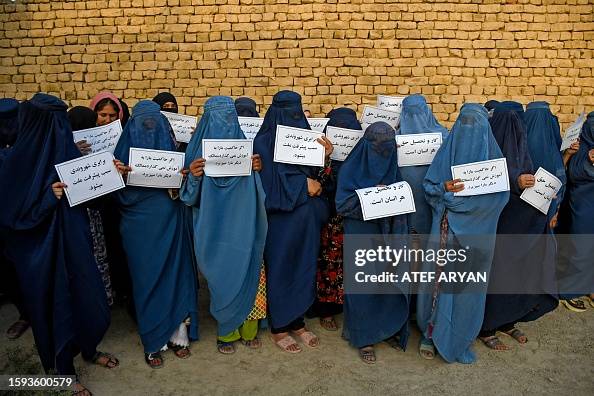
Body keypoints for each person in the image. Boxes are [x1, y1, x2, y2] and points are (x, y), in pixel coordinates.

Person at [0, 93, 118, 396]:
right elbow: (13, 219)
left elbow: (93, 198)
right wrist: (47, 201)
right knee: (58, 310)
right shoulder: (17, 162)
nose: (61, 128)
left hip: (77, 244)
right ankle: (65, 373)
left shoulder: (67, 152)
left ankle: (89, 349)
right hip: (42, 255)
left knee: (90, 300)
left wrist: (110, 175)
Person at [418, 103, 509, 363]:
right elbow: (429, 187)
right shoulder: (445, 154)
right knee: (437, 283)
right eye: (464, 124)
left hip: (477, 236)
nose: (468, 131)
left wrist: (462, 205)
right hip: (444, 231)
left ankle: (460, 336)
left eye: (475, 125)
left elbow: (498, 200)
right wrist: (444, 190)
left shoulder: (493, 163)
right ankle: (430, 332)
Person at [113, 100, 198, 369]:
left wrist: (184, 177)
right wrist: (118, 176)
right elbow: (113, 198)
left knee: (176, 276)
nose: (149, 130)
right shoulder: (120, 156)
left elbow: (187, 193)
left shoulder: (174, 153)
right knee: (147, 281)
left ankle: (178, 336)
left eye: (155, 124)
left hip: (172, 222)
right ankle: (154, 342)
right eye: (142, 124)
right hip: (138, 230)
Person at [181, 96, 266, 354]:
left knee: (252, 271)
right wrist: (194, 177)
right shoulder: (195, 155)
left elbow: (258, 192)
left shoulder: (244, 150)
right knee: (222, 277)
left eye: (229, 117)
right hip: (213, 228)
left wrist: (256, 169)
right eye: (218, 118)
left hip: (245, 224)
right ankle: (226, 332)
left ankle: (249, 330)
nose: (225, 124)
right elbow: (186, 197)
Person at [253, 90, 332, 353]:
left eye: (297, 111)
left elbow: (318, 176)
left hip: (306, 219)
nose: (294, 117)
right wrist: (301, 185)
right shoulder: (262, 143)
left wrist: (326, 156)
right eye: (289, 111)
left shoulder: (308, 138)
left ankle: (297, 320)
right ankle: (279, 327)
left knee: (304, 265)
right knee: (281, 266)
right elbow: (265, 184)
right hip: (280, 221)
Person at [479, 101, 558, 350]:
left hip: (521, 223)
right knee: (496, 272)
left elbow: (531, 176)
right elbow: (481, 180)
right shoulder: (484, 149)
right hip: (497, 222)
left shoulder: (524, 150)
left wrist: (544, 192)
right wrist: (514, 181)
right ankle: (486, 326)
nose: (515, 128)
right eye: (509, 123)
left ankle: (507, 320)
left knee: (518, 271)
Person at [335, 121, 410, 364]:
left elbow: (402, 198)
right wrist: (371, 195)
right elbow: (342, 204)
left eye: (387, 148)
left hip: (389, 233)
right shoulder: (350, 169)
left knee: (388, 279)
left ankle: (387, 327)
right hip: (360, 231)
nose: (383, 154)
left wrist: (392, 195)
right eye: (378, 148)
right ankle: (364, 336)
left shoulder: (393, 169)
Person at [308, 107, 362, 331]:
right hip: (329, 219)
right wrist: (326, 158)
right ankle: (326, 310)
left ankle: (349, 306)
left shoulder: (362, 155)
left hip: (356, 219)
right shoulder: (318, 152)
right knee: (328, 264)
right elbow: (316, 184)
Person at [556, 111, 594, 312]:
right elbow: (574, 174)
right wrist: (589, 161)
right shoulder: (579, 145)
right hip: (583, 204)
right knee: (581, 248)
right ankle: (569, 292)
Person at [0, 98, 30, 340]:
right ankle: (25, 314)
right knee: (10, 269)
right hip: (5, 223)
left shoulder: (32, 145)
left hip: (30, 219)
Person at [524, 101, 566, 228]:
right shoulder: (554, 151)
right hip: (545, 213)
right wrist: (556, 211)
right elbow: (561, 179)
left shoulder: (519, 149)